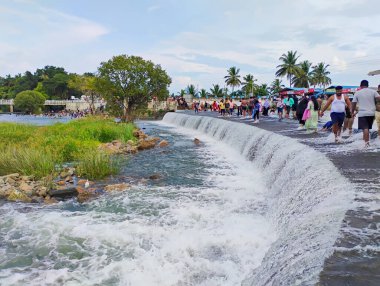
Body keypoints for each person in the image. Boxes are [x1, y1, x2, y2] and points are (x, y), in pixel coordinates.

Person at [351, 80, 380, 148]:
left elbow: (353, 103)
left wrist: (352, 112)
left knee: (365, 128)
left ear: (360, 85)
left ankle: (367, 144)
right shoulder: (373, 91)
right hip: (371, 113)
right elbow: (378, 98)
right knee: (367, 128)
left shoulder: (357, 93)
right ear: (368, 85)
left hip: (362, 113)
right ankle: (365, 142)